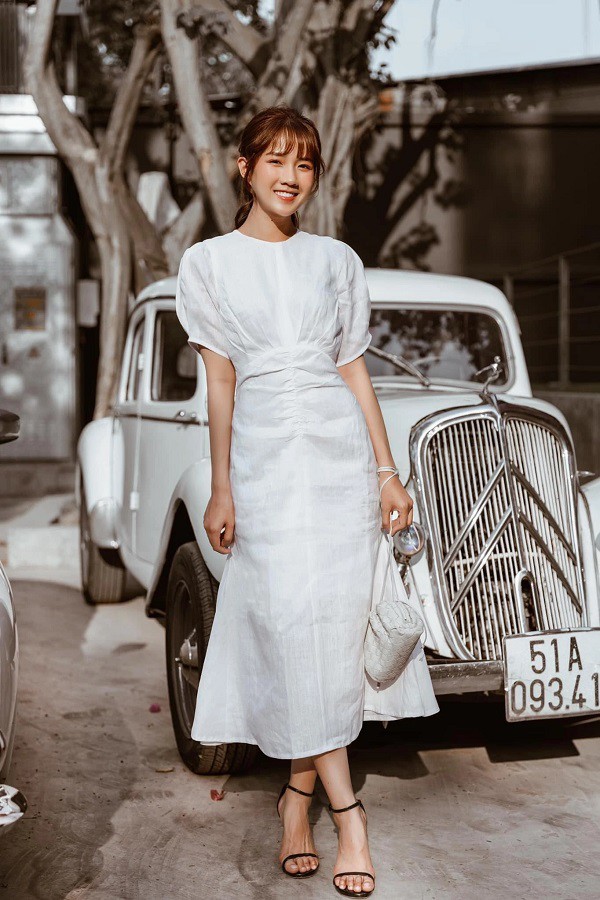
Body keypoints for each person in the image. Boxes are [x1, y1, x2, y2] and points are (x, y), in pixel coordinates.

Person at [175, 105, 439, 898]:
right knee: (289, 622)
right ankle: (347, 811)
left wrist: (387, 471)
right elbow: (219, 381)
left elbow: (355, 368)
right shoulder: (208, 263)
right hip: (261, 461)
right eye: (276, 161)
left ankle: (297, 801)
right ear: (245, 168)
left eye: (305, 164)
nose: (291, 177)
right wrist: (221, 484)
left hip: (338, 460)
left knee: (327, 628)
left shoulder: (337, 259)